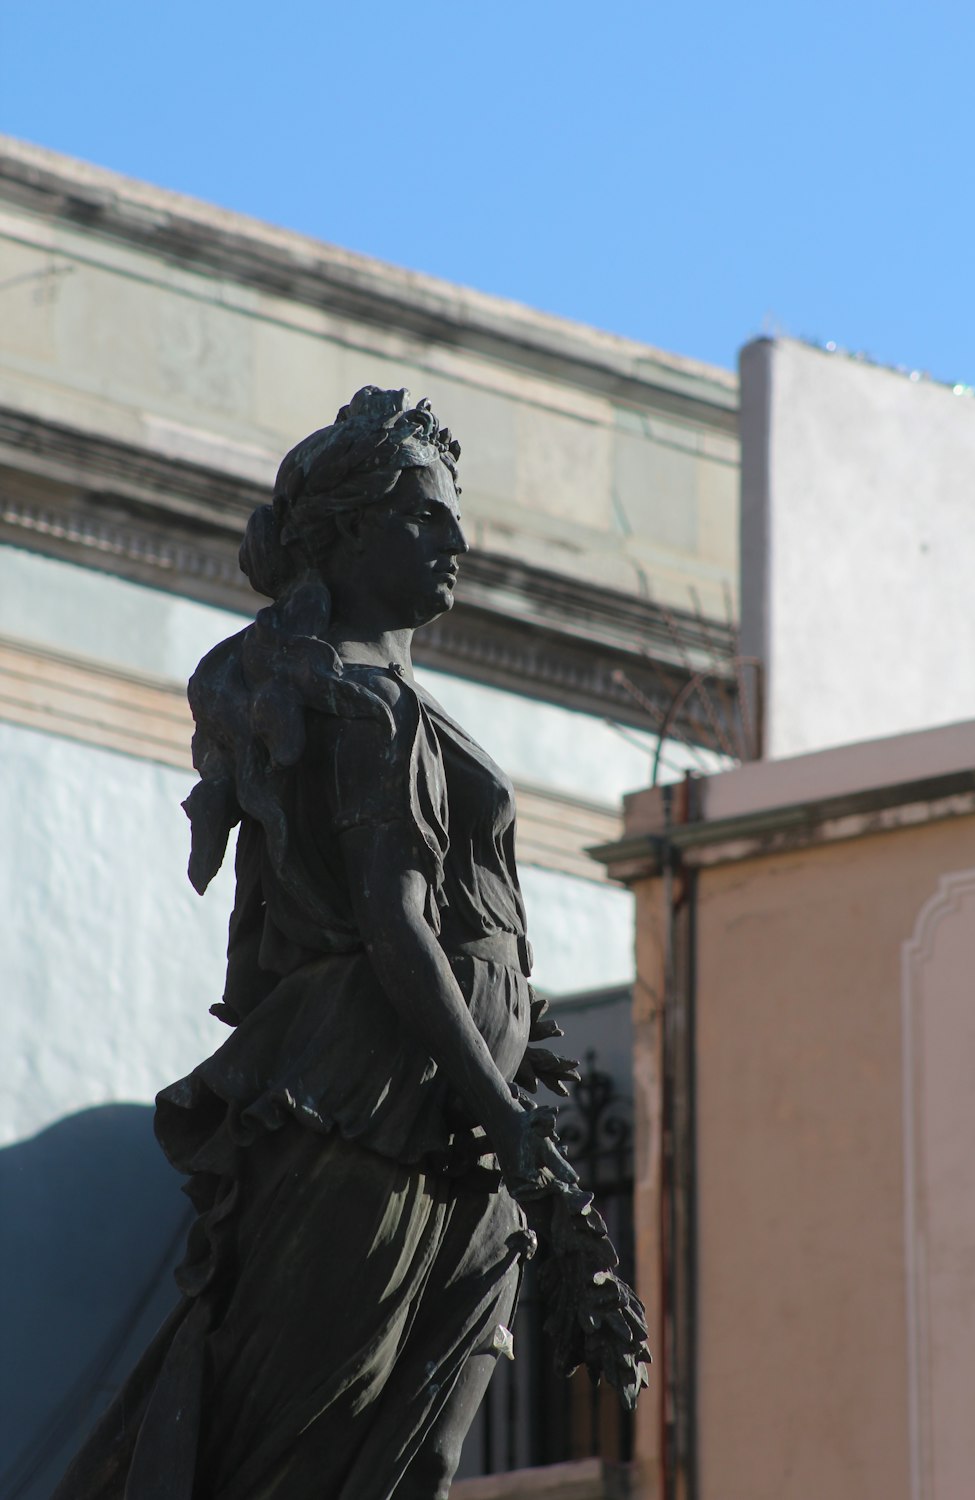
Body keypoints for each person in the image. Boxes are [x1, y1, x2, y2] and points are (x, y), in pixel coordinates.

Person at [53, 386, 646, 1500]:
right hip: (373, 1099)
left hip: (441, 1111)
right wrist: (502, 1109)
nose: (456, 538)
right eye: (421, 514)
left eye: (451, 515)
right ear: (340, 534)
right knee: (316, 1436)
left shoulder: (375, 694)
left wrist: (507, 1066)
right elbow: (394, 924)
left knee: (411, 1439)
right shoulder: (357, 702)